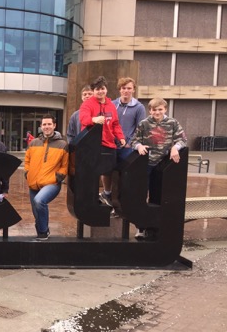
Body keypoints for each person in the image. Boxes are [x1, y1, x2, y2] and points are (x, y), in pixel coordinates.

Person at [130, 97, 187, 240]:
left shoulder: (172, 123)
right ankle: (141, 228)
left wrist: (175, 147)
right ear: (150, 110)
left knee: (158, 196)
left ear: (165, 109)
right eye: (154, 110)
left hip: (162, 166)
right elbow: (134, 140)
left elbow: (183, 139)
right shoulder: (144, 124)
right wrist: (139, 146)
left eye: (160, 109)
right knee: (141, 196)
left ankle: (155, 227)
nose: (157, 112)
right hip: (146, 165)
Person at [79, 76, 126, 207]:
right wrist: (92, 120)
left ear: (106, 89)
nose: (100, 91)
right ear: (93, 91)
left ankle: (107, 193)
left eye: (102, 89)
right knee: (91, 171)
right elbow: (83, 119)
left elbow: (115, 124)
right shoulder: (87, 104)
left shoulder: (111, 105)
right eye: (97, 89)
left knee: (107, 170)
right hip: (91, 144)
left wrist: (120, 137)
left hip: (108, 143)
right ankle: (90, 196)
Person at [24, 115, 69, 240]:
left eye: (49, 124)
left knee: (39, 201)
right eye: (44, 124)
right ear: (41, 126)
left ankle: (43, 232)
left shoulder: (62, 144)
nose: (46, 127)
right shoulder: (33, 143)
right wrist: (27, 173)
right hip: (33, 182)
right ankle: (42, 231)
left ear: (54, 125)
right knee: (36, 211)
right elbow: (27, 160)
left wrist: (58, 177)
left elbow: (65, 165)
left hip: (51, 182)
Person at [112, 77, 146, 161]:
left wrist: (130, 143)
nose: (126, 90)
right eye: (123, 88)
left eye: (129, 88)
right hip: (111, 145)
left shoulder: (139, 107)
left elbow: (140, 128)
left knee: (126, 173)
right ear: (120, 89)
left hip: (127, 148)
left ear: (134, 90)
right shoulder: (112, 105)